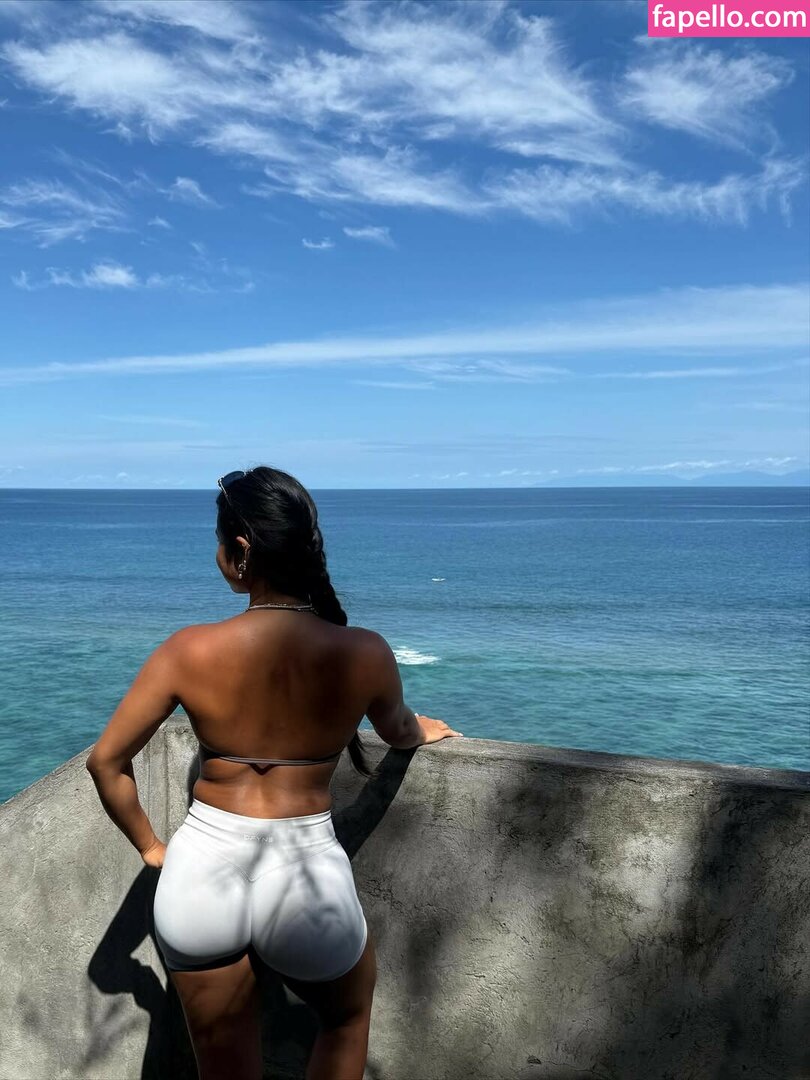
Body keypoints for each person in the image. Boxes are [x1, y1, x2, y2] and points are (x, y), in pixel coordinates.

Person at [85, 465, 462, 1080]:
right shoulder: (364, 651)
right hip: (306, 870)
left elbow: (106, 763)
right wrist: (422, 729)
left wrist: (153, 848)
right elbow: (400, 731)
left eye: (218, 543)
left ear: (240, 551)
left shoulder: (187, 650)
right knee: (345, 1019)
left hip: (200, 873)